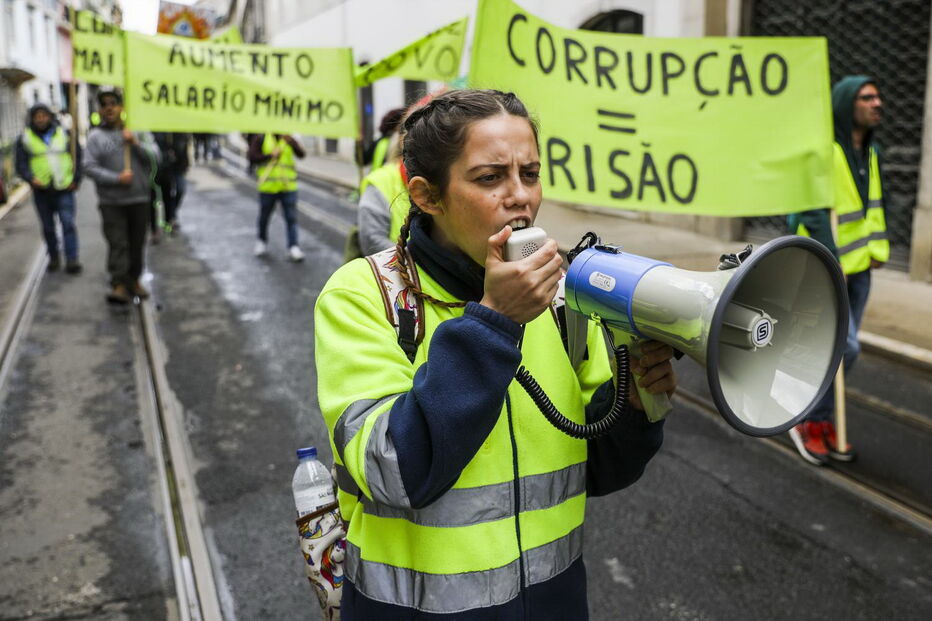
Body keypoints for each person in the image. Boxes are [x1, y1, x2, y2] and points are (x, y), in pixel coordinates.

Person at [314, 89, 676, 619]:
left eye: (530, 174)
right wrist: (496, 321)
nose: (520, 197)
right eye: (490, 178)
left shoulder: (562, 297)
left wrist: (637, 403)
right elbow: (395, 471)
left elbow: (596, 467)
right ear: (425, 195)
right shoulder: (362, 296)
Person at [787, 75, 889, 465]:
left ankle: (824, 418)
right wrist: (832, 260)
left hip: (861, 267)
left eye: (878, 97)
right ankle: (808, 420)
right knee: (842, 347)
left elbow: (876, 205)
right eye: (867, 97)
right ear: (848, 104)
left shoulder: (871, 152)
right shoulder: (824, 151)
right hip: (826, 268)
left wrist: (879, 249)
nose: (877, 103)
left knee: (835, 349)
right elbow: (811, 210)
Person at [83, 90, 161, 304]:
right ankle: (118, 283)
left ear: (122, 108)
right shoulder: (95, 137)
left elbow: (156, 158)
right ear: (99, 110)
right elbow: (88, 167)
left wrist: (136, 143)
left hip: (139, 199)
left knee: (137, 243)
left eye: (113, 104)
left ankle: (134, 280)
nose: (109, 108)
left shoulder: (139, 131)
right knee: (118, 243)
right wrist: (116, 178)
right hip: (111, 202)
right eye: (105, 105)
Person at [15, 103, 83, 274]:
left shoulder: (64, 134)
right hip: (42, 191)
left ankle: (72, 258)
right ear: (32, 118)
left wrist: (76, 179)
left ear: (50, 117)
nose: (40, 119)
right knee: (48, 227)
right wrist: (30, 178)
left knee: (68, 224)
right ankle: (53, 257)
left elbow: (78, 156)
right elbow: (20, 164)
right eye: (37, 116)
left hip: (64, 187)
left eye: (43, 115)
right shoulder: (25, 138)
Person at [248, 133, 306, 261]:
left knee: (291, 218)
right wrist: (269, 155)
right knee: (264, 217)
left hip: (288, 187)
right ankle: (261, 241)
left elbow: (301, 154)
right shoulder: (262, 137)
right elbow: (252, 156)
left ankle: (293, 246)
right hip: (268, 187)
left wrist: (292, 142)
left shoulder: (289, 138)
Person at [153, 132, 190, 234]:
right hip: (163, 168)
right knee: (164, 195)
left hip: (178, 167)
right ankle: (167, 221)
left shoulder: (179, 132)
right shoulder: (159, 133)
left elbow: (184, 148)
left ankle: (171, 215)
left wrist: (185, 164)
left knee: (180, 190)